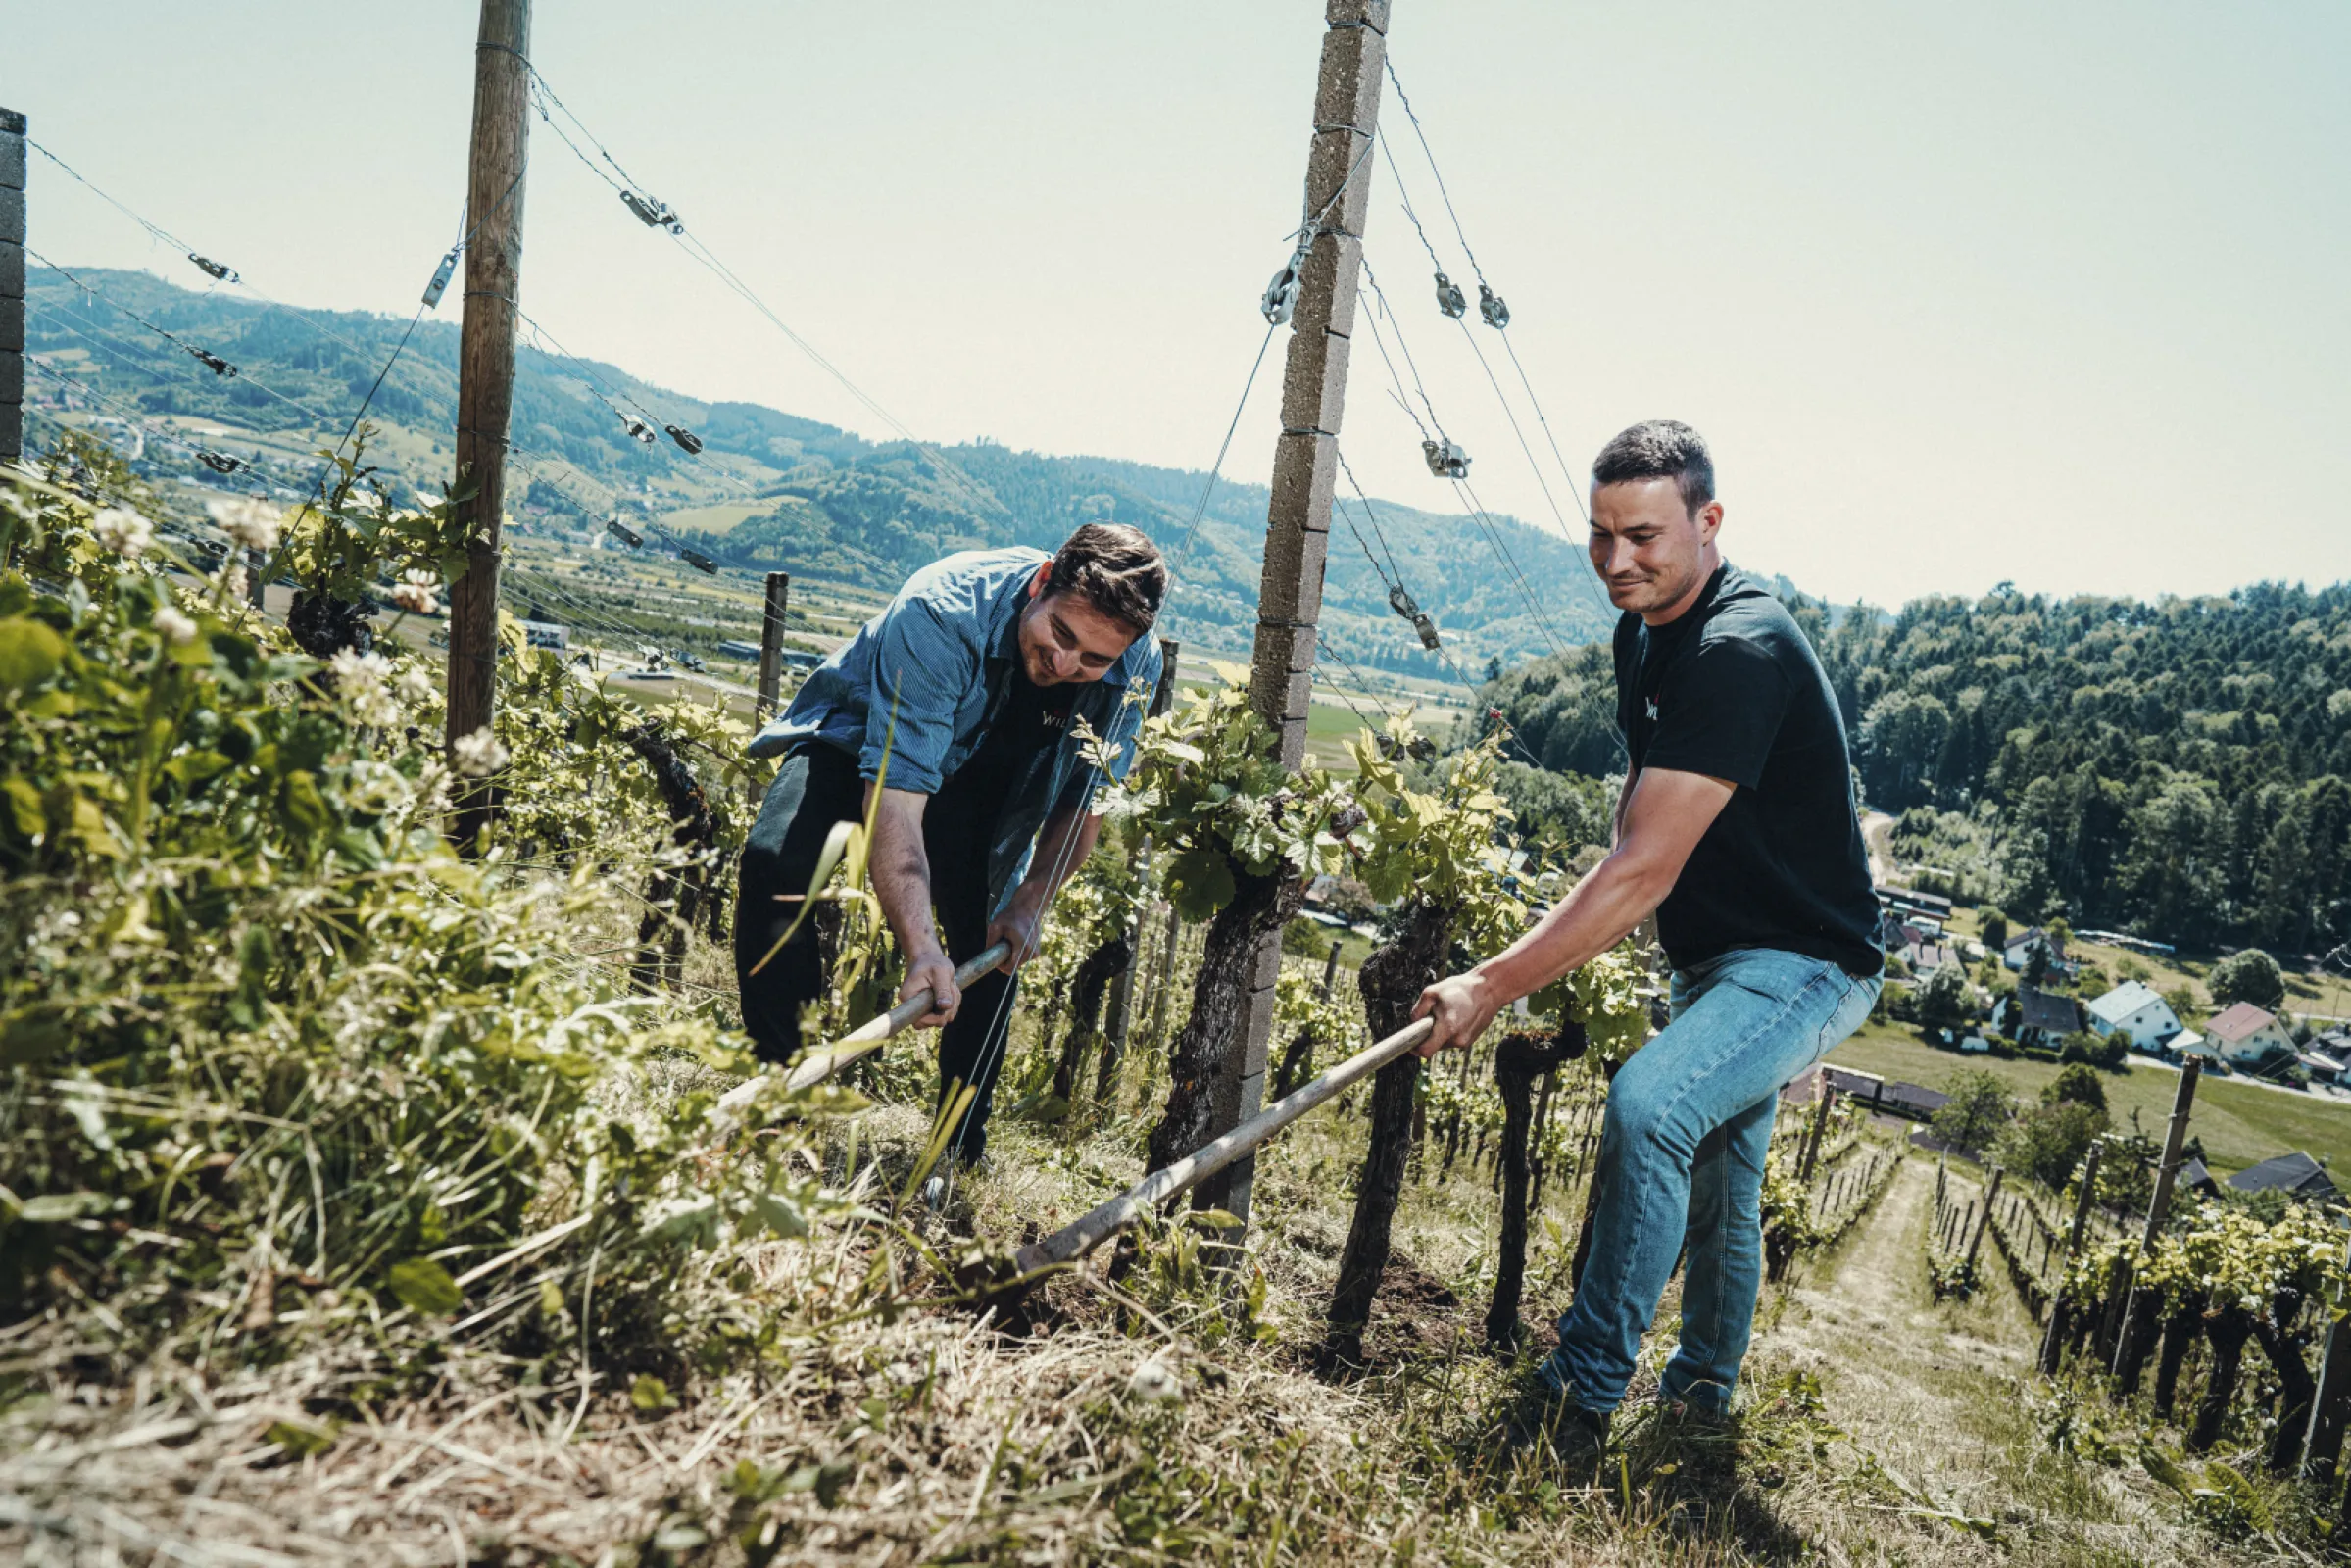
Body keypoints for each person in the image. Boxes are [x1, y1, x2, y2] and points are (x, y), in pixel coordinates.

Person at [1410, 420, 1883, 1455]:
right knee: (1720, 1179)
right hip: (1713, 959)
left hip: (1806, 961)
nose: (1615, 561)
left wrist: (1492, 984)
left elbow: (1642, 866)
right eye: (1597, 535)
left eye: (1642, 536)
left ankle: (1579, 1395)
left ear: (1707, 523)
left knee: (1650, 1107)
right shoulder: (1644, 631)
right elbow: (1637, 819)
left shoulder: (1735, 650)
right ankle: (1702, 1396)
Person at [735, 523, 1166, 1167]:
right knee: (774, 862)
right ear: (1042, 583)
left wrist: (1031, 901)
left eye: (1093, 660)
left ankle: (960, 1148)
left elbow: (1086, 801)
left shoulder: (1136, 663)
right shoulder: (941, 611)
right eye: (1061, 635)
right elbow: (896, 795)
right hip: (858, 741)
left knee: (994, 943)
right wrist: (919, 949)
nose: (1067, 665)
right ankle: (782, 1097)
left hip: (987, 771)